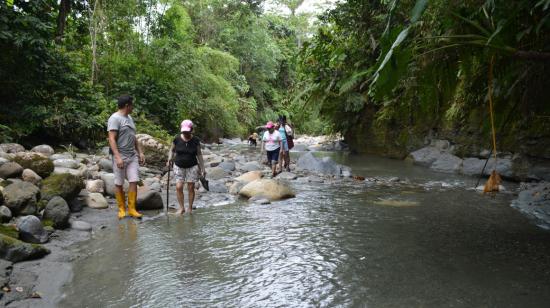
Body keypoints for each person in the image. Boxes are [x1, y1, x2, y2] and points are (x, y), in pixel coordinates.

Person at [107, 95, 145, 219]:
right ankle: (122, 209)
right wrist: (117, 157)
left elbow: (134, 137)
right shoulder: (114, 118)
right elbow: (111, 139)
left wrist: (140, 152)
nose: (133, 107)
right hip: (120, 155)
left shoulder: (129, 118)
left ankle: (132, 209)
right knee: (119, 183)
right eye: (132, 105)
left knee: (134, 181)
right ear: (127, 105)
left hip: (132, 155)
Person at [167, 120, 206, 215]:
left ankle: (190, 208)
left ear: (192, 130)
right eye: (184, 131)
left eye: (187, 131)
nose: (185, 133)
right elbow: (171, 150)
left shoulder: (196, 140)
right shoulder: (177, 139)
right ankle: (181, 208)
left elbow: (199, 154)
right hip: (178, 166)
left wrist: (203, 168)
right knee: (178, 187)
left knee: (191, 187)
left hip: (192, 166)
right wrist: (169, 159)